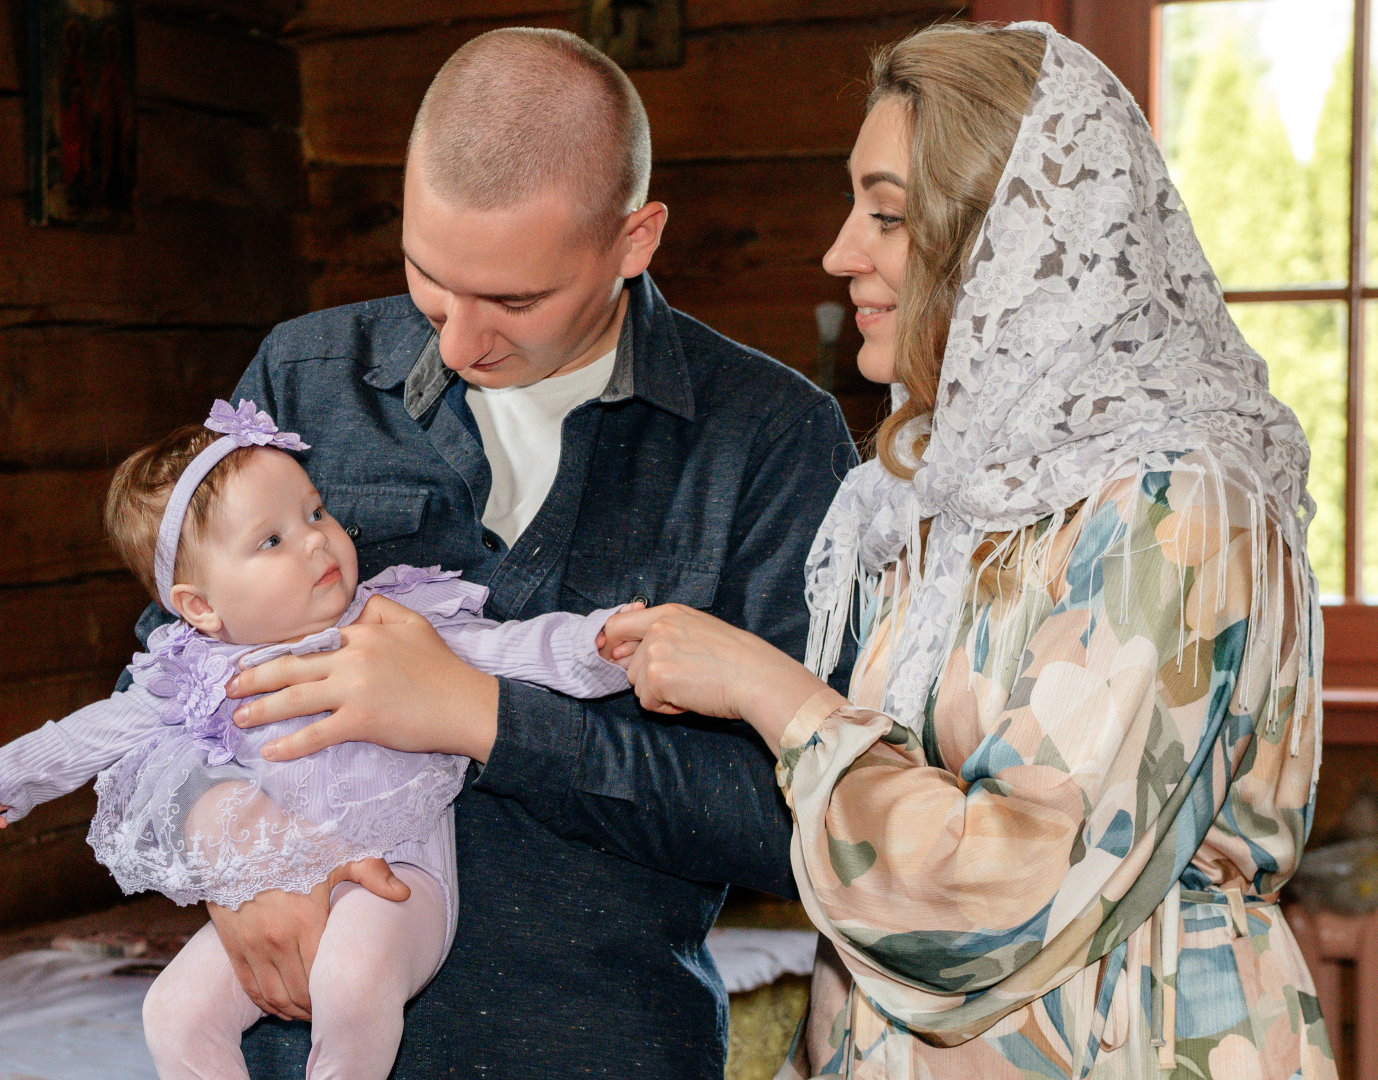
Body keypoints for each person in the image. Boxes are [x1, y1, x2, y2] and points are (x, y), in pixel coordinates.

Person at [601, 21, 1333, 1080]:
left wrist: (773, 696)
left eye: (889, 216)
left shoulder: (1176, 504)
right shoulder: (933, 493)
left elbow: (1008, 902)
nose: (839, 253)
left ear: (1015, 244)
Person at [125, 26, 857, 1080]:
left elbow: (794, 823)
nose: (460, 342)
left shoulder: (773, 439)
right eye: (428, 277)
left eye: (515, 300)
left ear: (635, 239)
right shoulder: (305, 375)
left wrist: (484, 717)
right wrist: (219, 840)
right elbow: (159, 680)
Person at [0, 400, 631, 1079]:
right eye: (271, 541)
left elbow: (511, 647)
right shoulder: (194, 673)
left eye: (316, 513)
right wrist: (10, 774)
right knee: (173, 1012)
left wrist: (599, 644)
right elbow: (99, 730)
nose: (316, 540)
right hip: (273, 886)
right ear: (201, 607)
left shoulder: (389, 623)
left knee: (351, 979)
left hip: (397, 880)